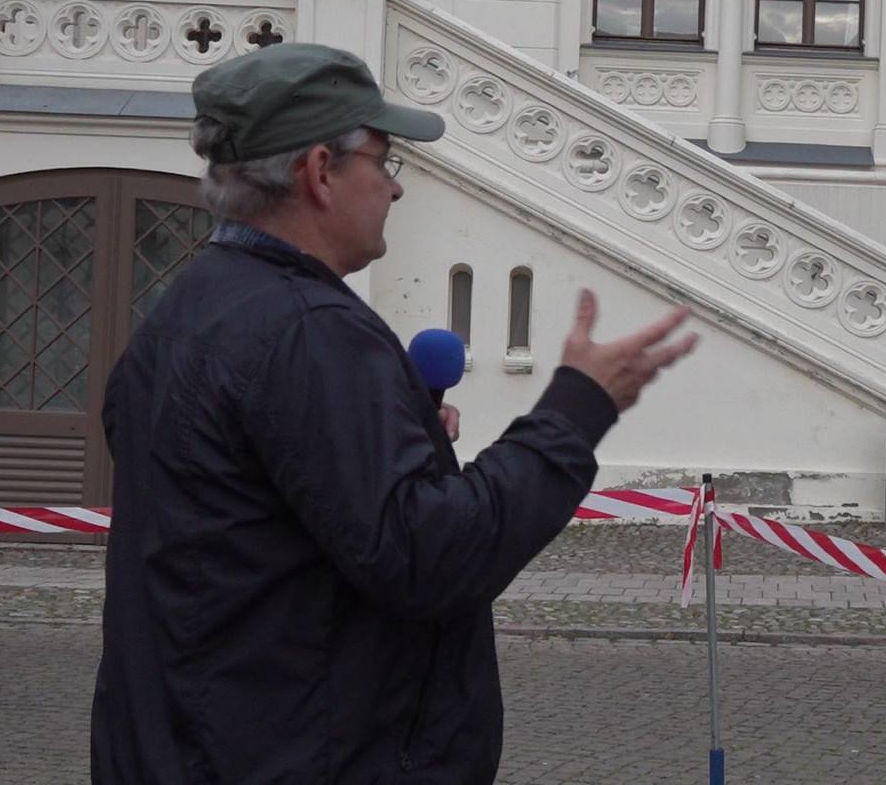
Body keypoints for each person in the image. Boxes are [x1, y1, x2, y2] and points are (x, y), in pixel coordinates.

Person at [91, 42, 698, 783]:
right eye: (383, 162)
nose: (395, 189)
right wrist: (577, 408)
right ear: (319, 171)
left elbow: (250, 519)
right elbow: (430, 557)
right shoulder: (309, 330)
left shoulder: (187, 309)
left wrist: (385, 443)